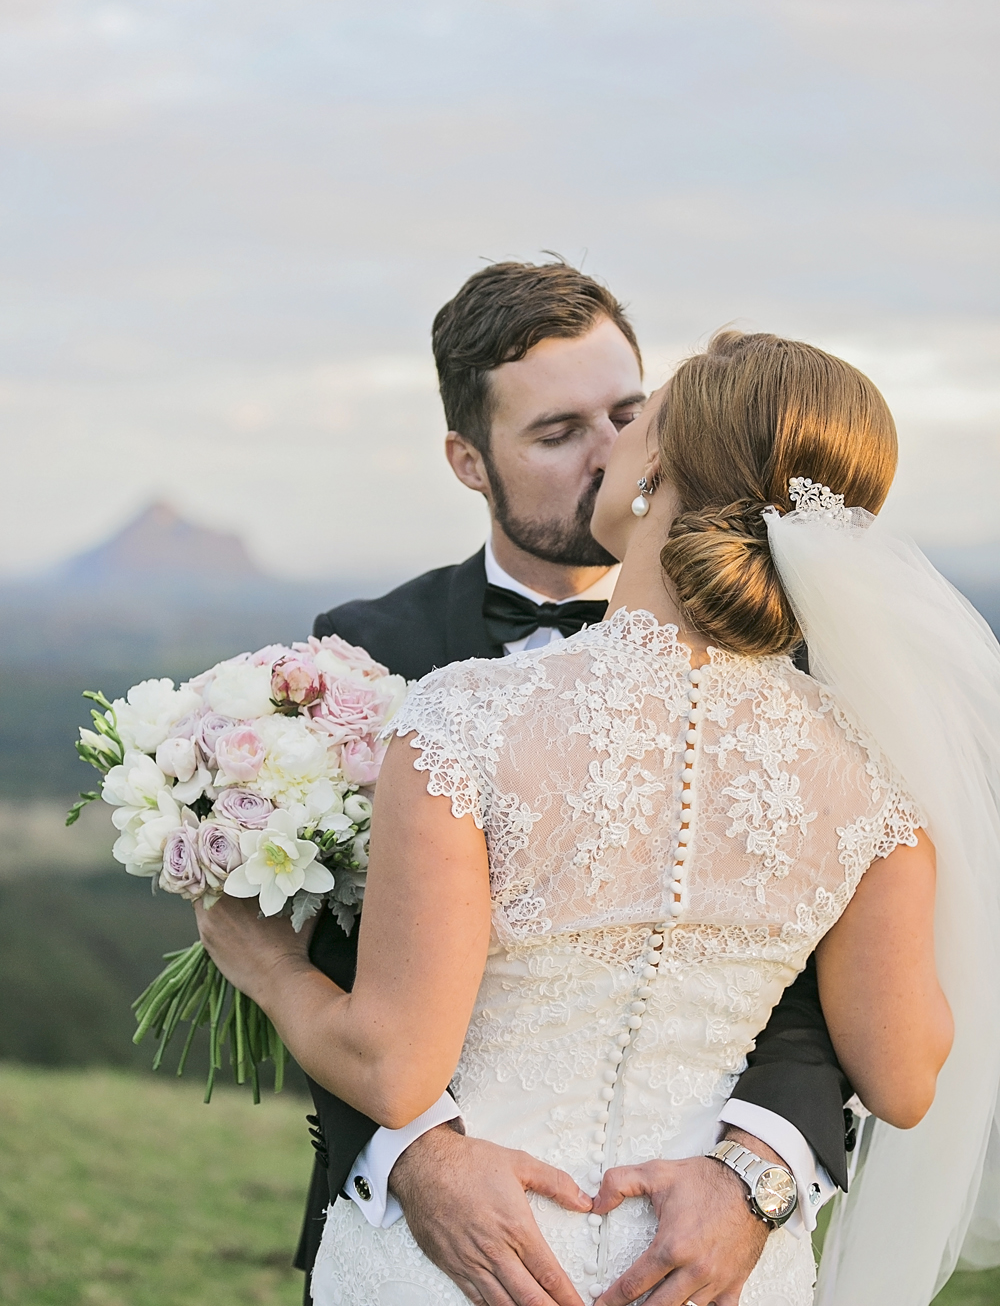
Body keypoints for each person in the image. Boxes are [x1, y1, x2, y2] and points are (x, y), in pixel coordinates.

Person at [197, 324, 965, 1304]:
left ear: (654, 473)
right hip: (713, 1282)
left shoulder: (464, 717)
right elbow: (902, 1079)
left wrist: (269, 969)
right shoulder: (870, 774)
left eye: (637, 418)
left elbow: (392, 1068)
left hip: (465, 1277)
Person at [297, 267, 852, 1306]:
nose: (607, 455)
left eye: (626, 414)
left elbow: (823, 986)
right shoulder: (364, 657)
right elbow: (333, 951)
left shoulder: (803, 665)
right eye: (555, 434)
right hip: (419, 1250)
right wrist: (415, 1152)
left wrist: (761, 1171)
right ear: (470, 461)